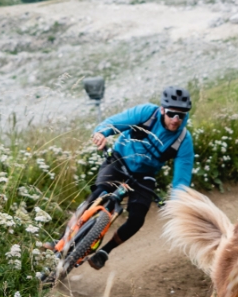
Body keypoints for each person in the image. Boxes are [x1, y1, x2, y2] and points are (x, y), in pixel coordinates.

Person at [83, 85, 195, 270]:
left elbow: (181, 181)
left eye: (181, 115)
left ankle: (105, 252)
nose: (175, 120)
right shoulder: (146, 113)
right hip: (120, 160)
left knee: (137, 219)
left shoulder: (184, 141)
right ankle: (61, 240)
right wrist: (102, 132)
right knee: (98, 195)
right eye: (171, 113)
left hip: (145, 175)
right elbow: (116, 122)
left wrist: (177, 206)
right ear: (162, 109)